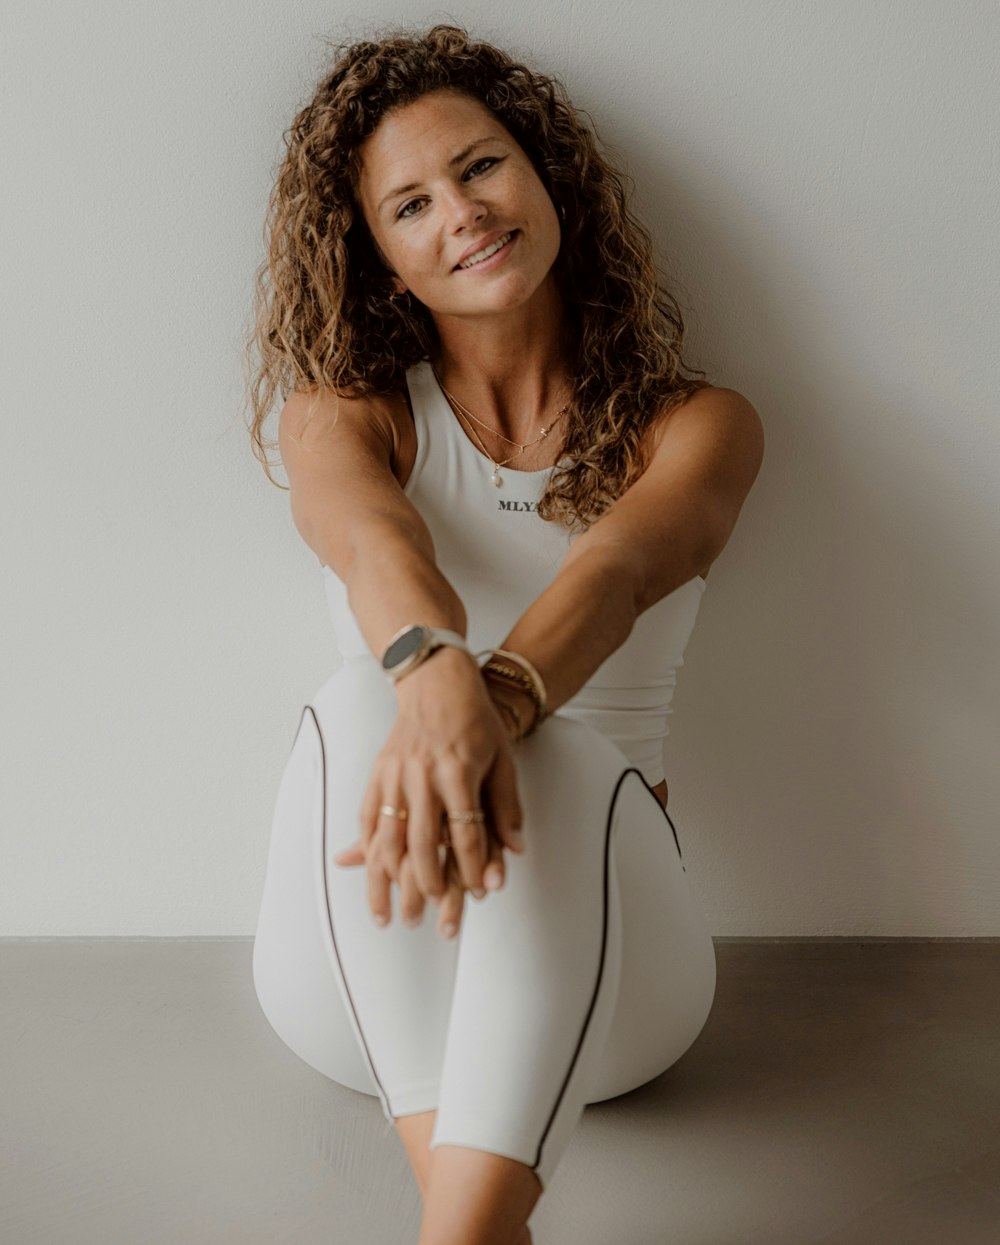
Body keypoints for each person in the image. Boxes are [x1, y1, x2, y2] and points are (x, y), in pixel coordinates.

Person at [246, 23, 763, 1245]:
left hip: (614, 992)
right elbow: (376, 546)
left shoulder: (701, 423)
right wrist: (432, 675)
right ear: (379, 261)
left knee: (566, 751)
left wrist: (499, 702)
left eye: (480, 167)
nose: (463, 214)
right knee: (360, 693)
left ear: (545, 176)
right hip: (359, 976)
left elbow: (627, 570)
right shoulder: (341, 414)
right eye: (411, 204)